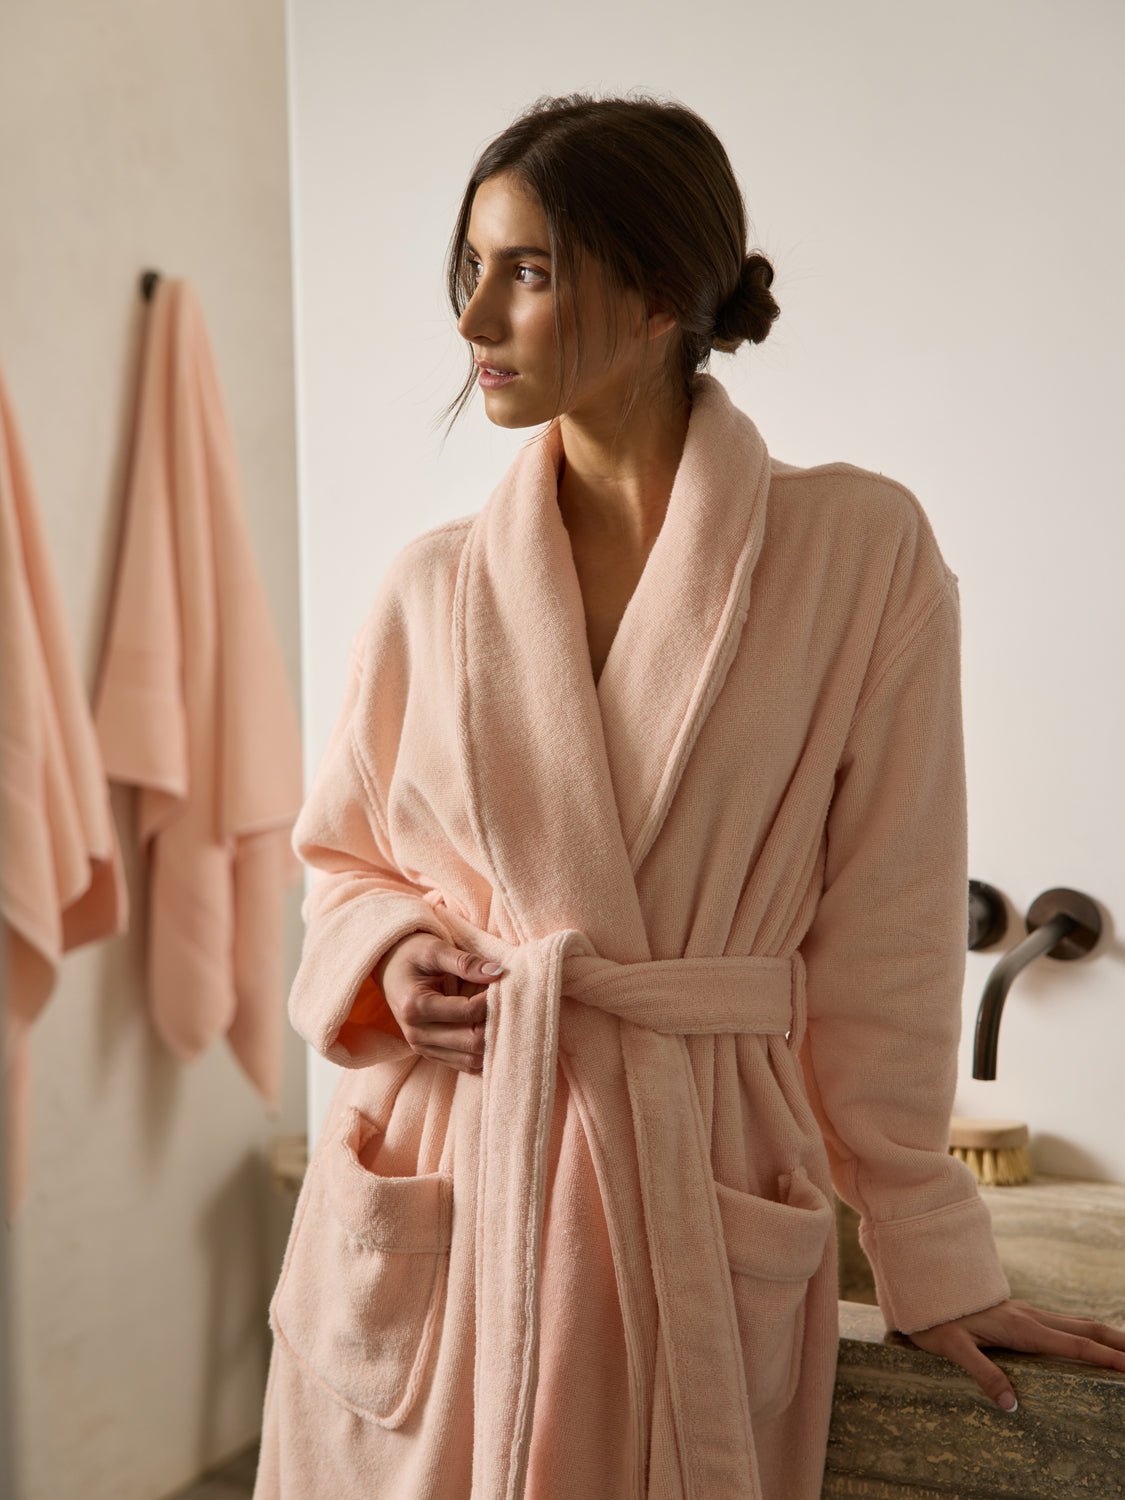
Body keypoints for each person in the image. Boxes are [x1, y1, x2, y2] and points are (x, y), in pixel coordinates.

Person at [253, 92, 1125, 1500]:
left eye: (525, 273)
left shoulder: (858, 552)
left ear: (661, 291)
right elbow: (345, 864)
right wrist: (391, 954)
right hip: (458, 1158)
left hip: (694, 1160)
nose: (473, 319)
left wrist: (927, 1252)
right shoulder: (429, 587)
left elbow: (891, 934)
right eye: (466, 269)